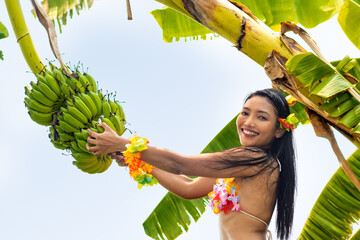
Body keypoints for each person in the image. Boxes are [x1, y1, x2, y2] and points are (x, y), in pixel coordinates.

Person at [86, 88, 297, 240]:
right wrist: (141, 161)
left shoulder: (255, 159)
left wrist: (123, 143)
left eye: (261, 117)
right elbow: (189, 187)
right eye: (245, 112)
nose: (248, 122)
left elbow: (180, 165)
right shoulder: (243, 165)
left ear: (279, 130)